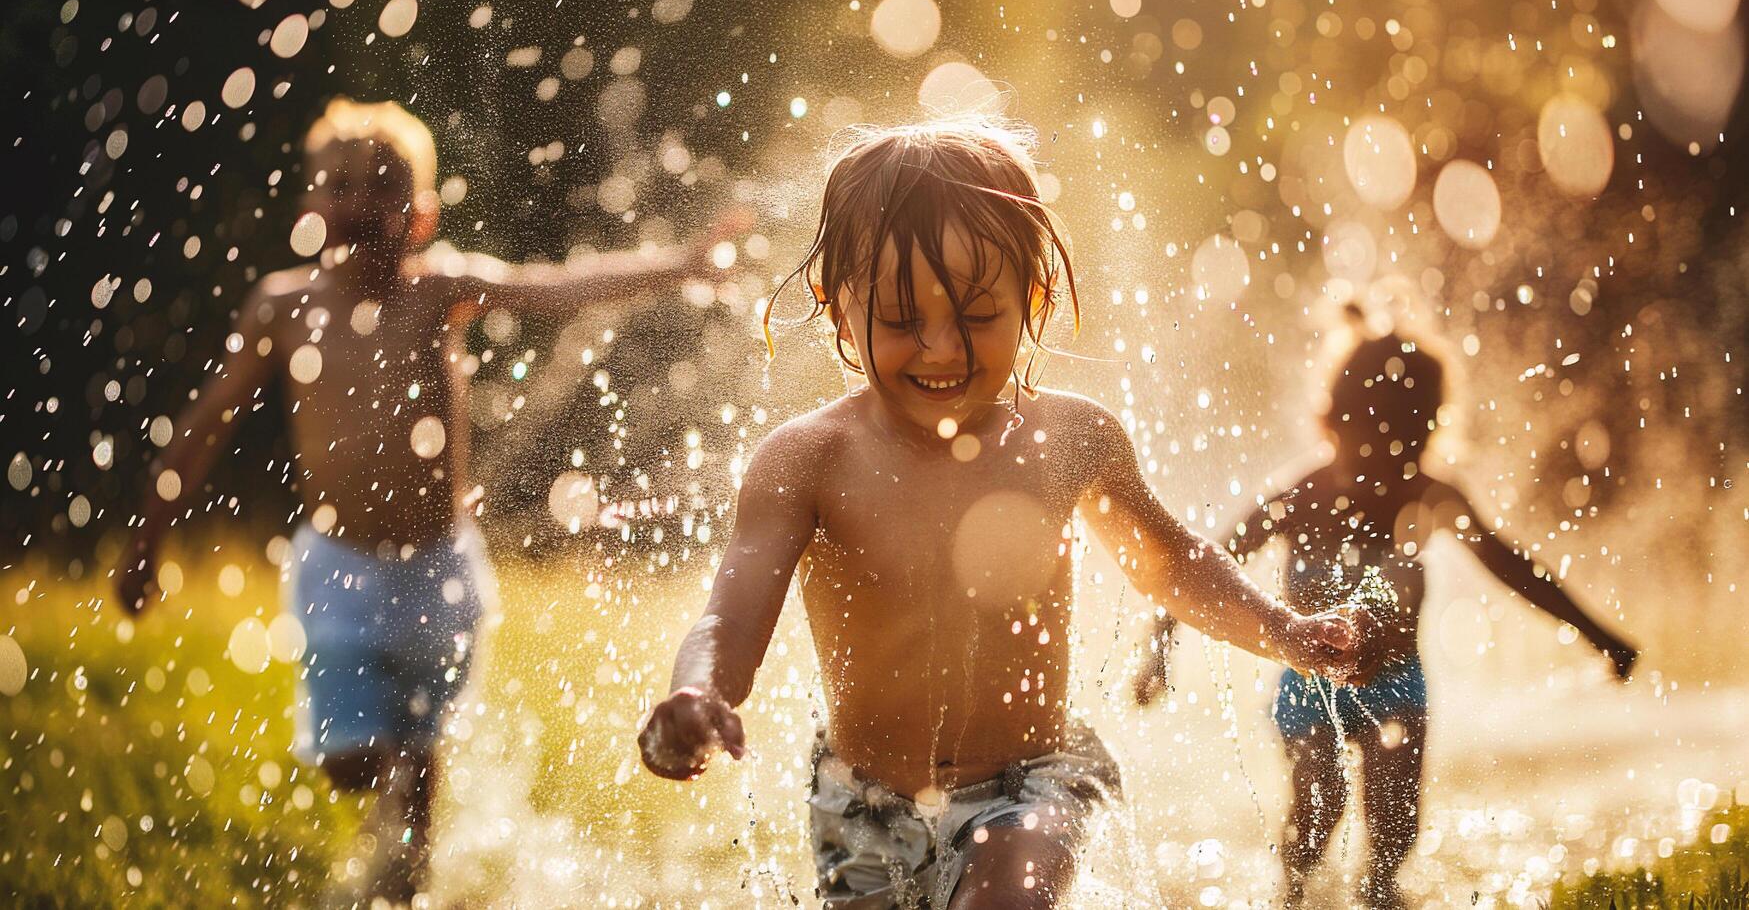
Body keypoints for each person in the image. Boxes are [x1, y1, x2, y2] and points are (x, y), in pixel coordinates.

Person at [636, 117, 1361, 909]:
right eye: (901, 318)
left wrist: (1282, 631)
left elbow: (1170, 561)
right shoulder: (809, 460)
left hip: (1032, 786)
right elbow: (729, 622)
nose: (942, 349)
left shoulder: (1068, 438)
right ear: (837, 307)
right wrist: (700, 691)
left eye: (978, 316)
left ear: (1035, 297)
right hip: (861, 803)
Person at [113, 97, 734, 901]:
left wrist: (679, 266)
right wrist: (145, 540)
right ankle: (394, 819)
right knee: (348, 759)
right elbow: (202, 430)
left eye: (382, 187)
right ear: (311, 207)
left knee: (419, 742)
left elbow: (558, 287)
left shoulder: (437, 290)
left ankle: (405, 878)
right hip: (337, 572)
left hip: (440, 573)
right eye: (339, 186)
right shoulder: (283, 307)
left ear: (421, 213)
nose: (359, 203)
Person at [1133, 309, 1639, 909]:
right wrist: (1161, 643)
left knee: (1395, 830)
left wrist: (1596, 632)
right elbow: (1206, 568)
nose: (1377, 468)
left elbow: (1513, 567)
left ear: (1425, 436)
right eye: (1364, 441)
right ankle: (1291, 895)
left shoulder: (1427, 494)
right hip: (1309, 682)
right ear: (1333, 424)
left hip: (1398, 683)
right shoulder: (1302, 495)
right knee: (1318, 811)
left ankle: (1381, 894)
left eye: (1398, 448)